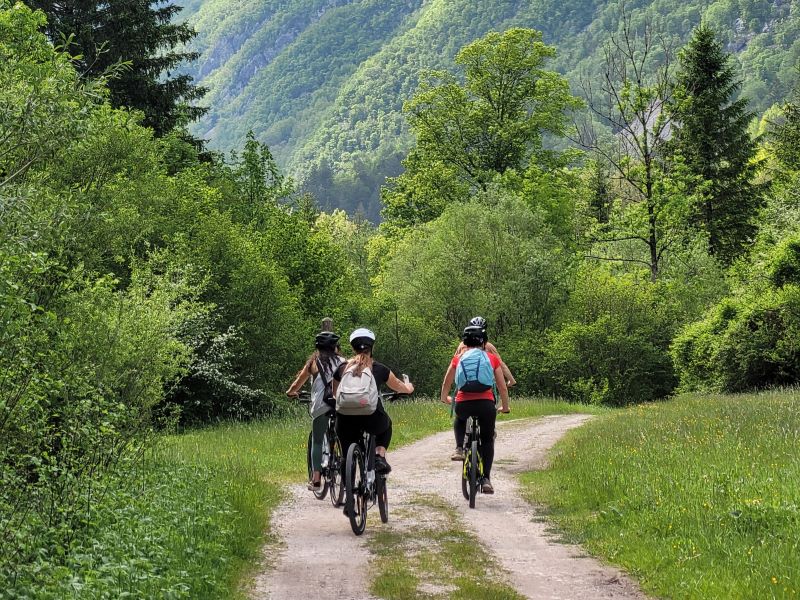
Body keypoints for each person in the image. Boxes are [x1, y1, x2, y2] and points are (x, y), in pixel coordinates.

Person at [332, 328, 414, 477]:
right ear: (372, 347)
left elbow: (335, 393)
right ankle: (379, 456)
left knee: (346, 452)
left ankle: (347, 483)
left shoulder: (342, 369)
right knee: (387, 426)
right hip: (372, 419)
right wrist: (408, 387)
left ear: (353, 348)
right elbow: (398, 386)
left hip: (345, 420)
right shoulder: (380, 369)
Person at [440, 325, 510, 494]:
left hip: (463, 403)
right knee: (487, 439)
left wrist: (444, 398)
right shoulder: (491, 358)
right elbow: (502, 387)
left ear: (465, 342)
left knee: (460, 419)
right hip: (486, 404)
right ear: (484, 342)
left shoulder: (458, 358)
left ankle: (459, 448)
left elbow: (447, 382)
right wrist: (505, 406)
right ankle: (486, 479)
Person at [286, 330, 345, 490]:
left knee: (317, 440)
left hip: (321, 405)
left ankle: (316, 479)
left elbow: (297, 384)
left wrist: (290, 392)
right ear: (335, 347)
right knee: (344, 435)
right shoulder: (343, 362)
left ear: (318, 347)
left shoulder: (313, 363)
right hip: (341, 404)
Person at [453, 316, 516, 387]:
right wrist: (511, 380)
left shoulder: (462, 345)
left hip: (464, 382)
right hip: (484, 382)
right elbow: (501, 364)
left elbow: (454, 363)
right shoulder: (488, 346)